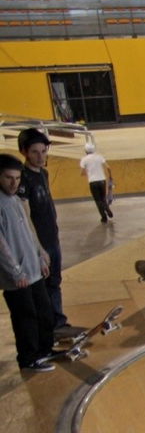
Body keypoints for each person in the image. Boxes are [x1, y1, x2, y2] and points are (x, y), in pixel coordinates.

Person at [16, 128, 81, 340]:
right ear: (24, 152)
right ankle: (48, 329)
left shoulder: (43, 173)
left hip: (52, 238)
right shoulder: (23, 179)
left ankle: (58, 324)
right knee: (42, 288)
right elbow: (25, 218)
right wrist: (38, 249)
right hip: (39, 243)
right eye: (35, 152)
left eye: (44, 152)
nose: (41, 157)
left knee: (54, 282)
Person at [0, 152, 56, 373]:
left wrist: (39, 255)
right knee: (26, 318)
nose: (14, 183)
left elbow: (27, 232)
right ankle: (29, 358)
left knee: (43, 312)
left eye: (17, 178)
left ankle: (45, 350)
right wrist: (15, 273)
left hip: (32, 269)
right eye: (8, 178)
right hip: (18, 277)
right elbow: (2, 245)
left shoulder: (14, 200)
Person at [79, 137, 113, 223]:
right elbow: (108, 167)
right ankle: (108, 209)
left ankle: (104, 217)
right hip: (102, 180)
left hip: (93, 182)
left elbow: (82, 173)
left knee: (97, 200)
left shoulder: (84, 159)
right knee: (103, 198)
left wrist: (88, 172)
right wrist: (110, 176)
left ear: (85, 151)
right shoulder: (99, 157)